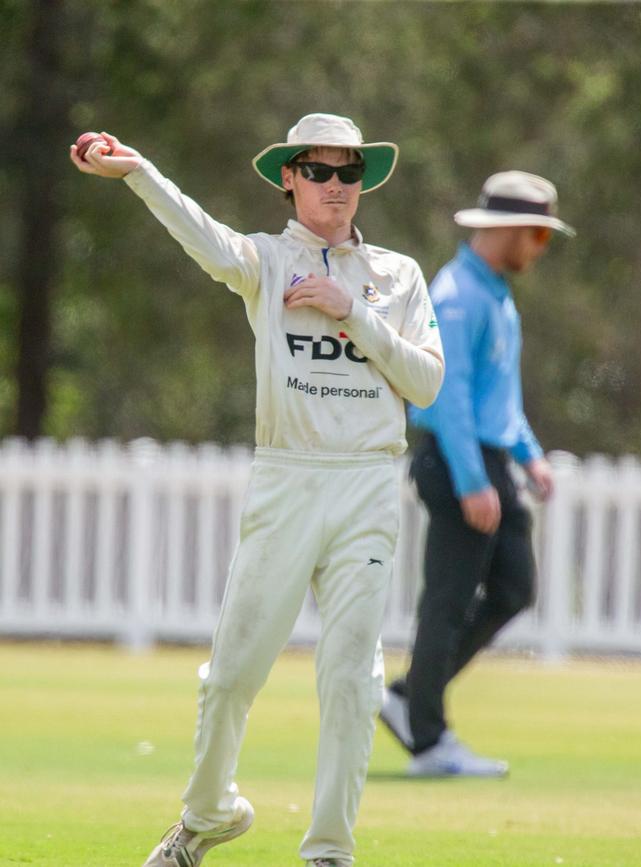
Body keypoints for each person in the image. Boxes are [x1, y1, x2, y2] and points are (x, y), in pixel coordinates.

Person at [70, 113, 444, 867]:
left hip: (368, 482)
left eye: (350, 172)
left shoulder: (397, 276)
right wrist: (139, 171)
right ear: (290, 178)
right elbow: (201, 234)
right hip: (288, 476)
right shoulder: (266, 260)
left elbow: (427, 383)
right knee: (232, 672)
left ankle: (329, 850)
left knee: (350, 679)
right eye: (320, 170)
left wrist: (355, 313)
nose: (337, 187)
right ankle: (207, 816)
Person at [379, 171, 575, 778]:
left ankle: (411, 697)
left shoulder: (494, 292)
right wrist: (471, 479)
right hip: (455, 456)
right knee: (448, 599)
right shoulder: (458, 295)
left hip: (487, 458)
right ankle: (429, 738)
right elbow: (447, 397)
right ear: (509, 232)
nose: (539, 250)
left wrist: (529, 453)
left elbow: (500, 396)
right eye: (537, 237)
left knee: (514, 587)